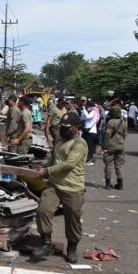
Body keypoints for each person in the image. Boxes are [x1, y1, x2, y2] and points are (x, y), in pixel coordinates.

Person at [32, 113, 87, 264]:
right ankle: (46, 243)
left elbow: (68, 164)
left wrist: (47, 171)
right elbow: (53, 160)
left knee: (73, 219)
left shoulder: (79, 144)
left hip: (72, 187)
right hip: (54, 185)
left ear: (77, 128)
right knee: (43, 210)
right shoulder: (61, 140)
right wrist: (43, 169)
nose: (63, 130)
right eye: (62, 127)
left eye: (67, 128)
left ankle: (72, 248)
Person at [103, 106, 127, 190]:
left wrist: (105, 146)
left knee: (108, 165)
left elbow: (108, 135)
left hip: (110, 146)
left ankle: (108, 184)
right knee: (118, 165)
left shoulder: (110, 122)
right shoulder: (123, 122)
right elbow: (125, 134)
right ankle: (120, 184)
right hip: (120, 146)